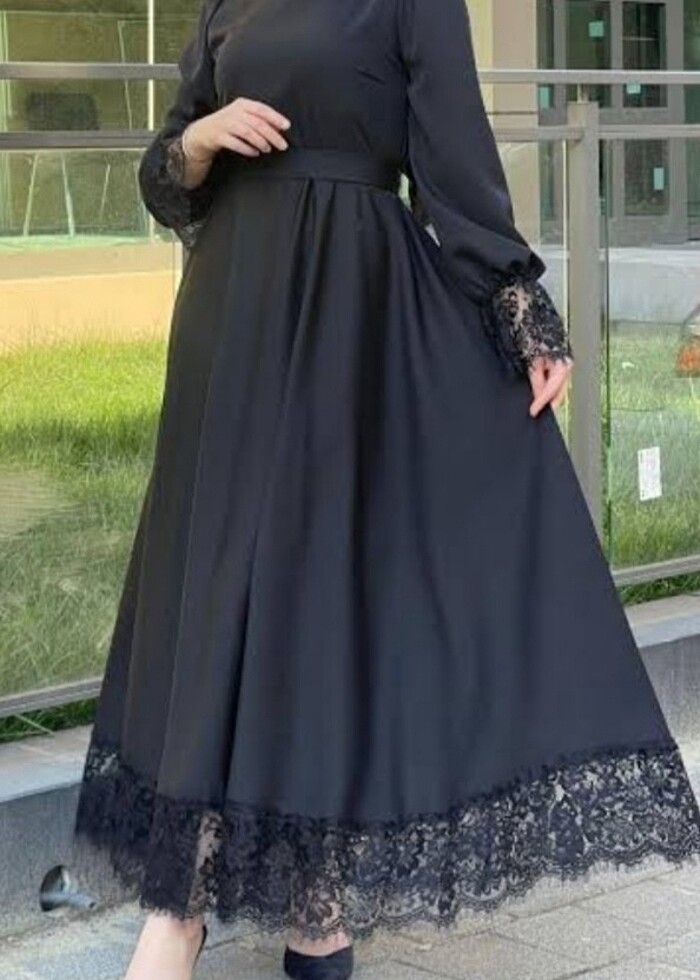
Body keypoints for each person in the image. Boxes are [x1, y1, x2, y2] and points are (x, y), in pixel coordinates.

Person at [73, 1, 700, 978]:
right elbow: (169, 177)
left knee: (315, 592)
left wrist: (518, 305)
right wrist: (196, 141)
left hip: (349, 316)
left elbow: (454, 154)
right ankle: (187, 908)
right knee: (218, 585)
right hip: (232, 317)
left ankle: (303, 905)